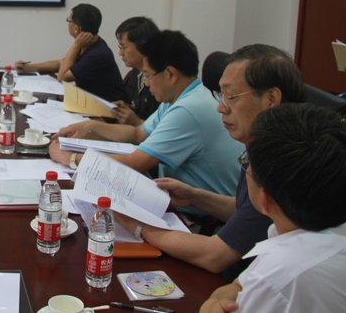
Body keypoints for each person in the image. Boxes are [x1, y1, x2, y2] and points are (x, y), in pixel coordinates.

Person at [113, 45, 306, 279]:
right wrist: (196, 197)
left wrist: (137, 225)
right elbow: (249, 212)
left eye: (231, 97)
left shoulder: (284, 165)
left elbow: (215, 256)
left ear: (271, 99)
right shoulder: (263, 146)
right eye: (220, 96)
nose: (221, 108)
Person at [50, 30, 243, 202]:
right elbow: (137, 133)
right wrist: (91, 126)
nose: (146, 83)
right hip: (177, 199)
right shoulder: (180, 97)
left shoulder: (188, 109)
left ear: (171, 74)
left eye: (148, 75)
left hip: (197, 219)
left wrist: (70, 158)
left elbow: (134, 164)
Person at [200, 103, 346, 313]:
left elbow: (264, 280)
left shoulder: (281, 275)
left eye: (247, 162)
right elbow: (240, 285)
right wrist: (221, 295)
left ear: (265, 199)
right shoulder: (310, 230)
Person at [15, 3, 126, 103]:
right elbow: (61, 64)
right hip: (88, 102)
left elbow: (62, 77)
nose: (68, 23)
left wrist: (76, 45)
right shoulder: (89, 43)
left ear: (76, 28)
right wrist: (29, 67)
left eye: (69, 20)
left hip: (108, 110)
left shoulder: (97, 54)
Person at [111, 16, 160, 126]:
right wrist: (128, 109)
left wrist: (137, 122)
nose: (120, 53)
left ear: (143, 45)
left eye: (123, 47)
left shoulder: (160, 80)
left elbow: (165, 129)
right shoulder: (136, 72)